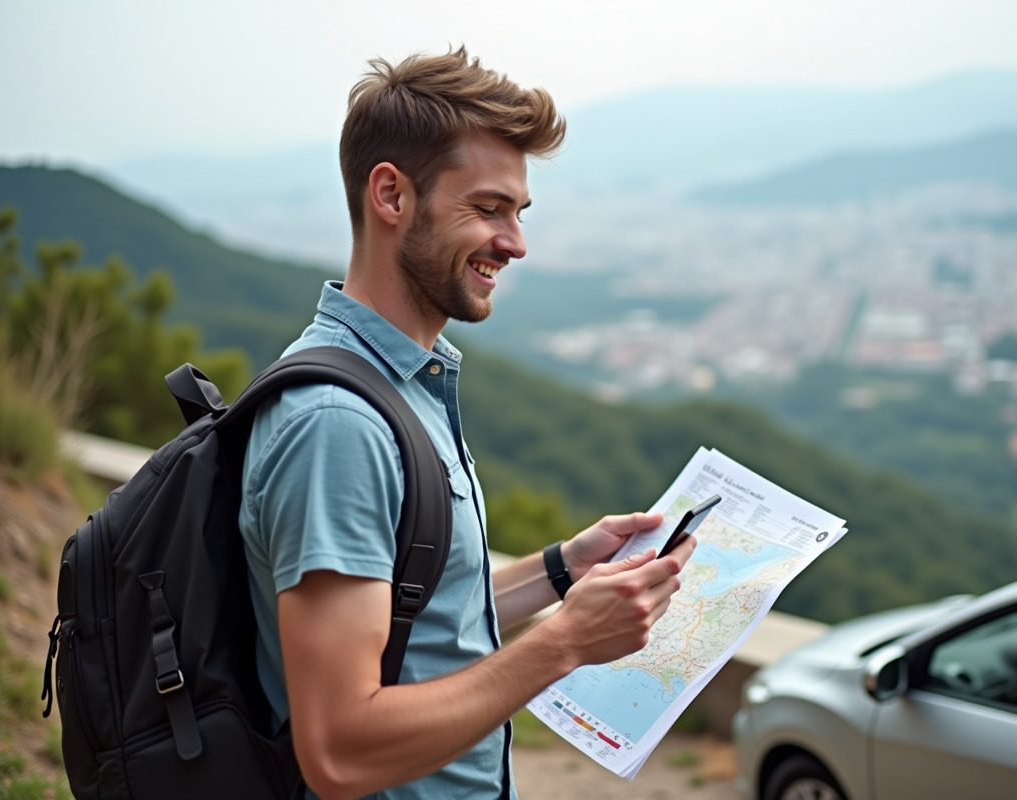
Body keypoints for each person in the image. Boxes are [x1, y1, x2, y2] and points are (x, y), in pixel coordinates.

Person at [238, 47, 697, 800]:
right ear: (391, 194)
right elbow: (339, 749)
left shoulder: (405, 383)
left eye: (518, 213)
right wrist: (565, 642)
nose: (514, 243)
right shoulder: (337, 425)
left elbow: (414, 610)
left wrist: (559, 573)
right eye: (487, 209)